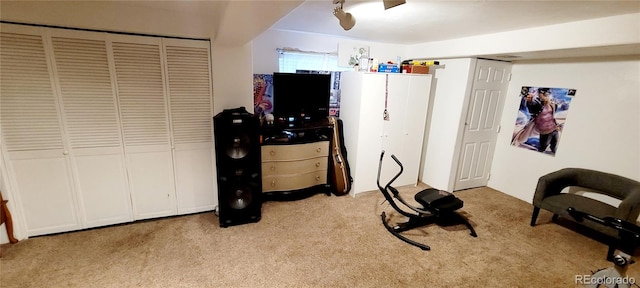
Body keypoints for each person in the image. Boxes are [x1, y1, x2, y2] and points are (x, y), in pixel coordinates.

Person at [529, 88, 560, 153]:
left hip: (554, 129)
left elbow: (552, 116)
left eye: (547, 94)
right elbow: (532, 106)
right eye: (544, 94)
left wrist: (556, 125)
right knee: (542, 148)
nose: (546, 95)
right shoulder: (537, 104)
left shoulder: (552, 104)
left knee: (554, 147)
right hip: (545, 131)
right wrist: (530, 101)